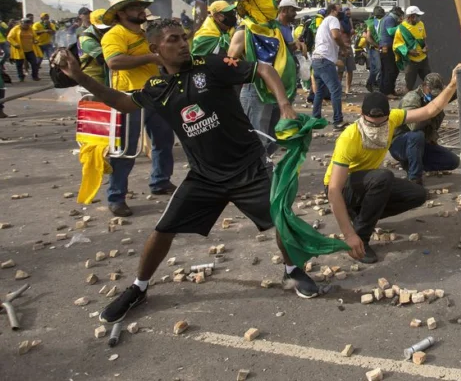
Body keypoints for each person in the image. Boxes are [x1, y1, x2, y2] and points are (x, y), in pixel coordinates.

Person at [55, 20, 332, 323]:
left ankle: (292, 271)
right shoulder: (157, 88)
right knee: (163, 230)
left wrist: (285, 105)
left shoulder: (211, 65)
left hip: (248, 168)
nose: (183, 44)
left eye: (184, 38)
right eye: (174, 40)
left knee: (281, 218)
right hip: (204, 177)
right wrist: (80, 75)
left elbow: (264, 69)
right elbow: (122, 102)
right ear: (155, 49)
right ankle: (139, 287)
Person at [325, 75, 460, 264]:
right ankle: (361, 238)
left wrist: (452, 84)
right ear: (362, 116)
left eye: (381, 122)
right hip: (343, 188)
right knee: (383, 177)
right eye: (371, 122)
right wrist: (349, 235)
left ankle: (360, 216)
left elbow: (430, 110)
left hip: (368, 182)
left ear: (388, 117)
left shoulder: (394, 119)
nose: (376, 127)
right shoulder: (349, 138)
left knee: (417, 194)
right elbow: (333, 189)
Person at [101, 0, 177, 216]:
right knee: (126, 149)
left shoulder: (143, 34)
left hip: (154, 93)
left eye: (141, 7)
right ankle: (116, 196)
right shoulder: (115, 35)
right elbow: (114, 61)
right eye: (135, 8)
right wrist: (150, 58)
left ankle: (160, 181)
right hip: (128, 96)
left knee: (164, 140)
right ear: (122, 13)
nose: (141, 11)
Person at [228, 0, 299, 164]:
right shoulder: (244, 31)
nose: (274, 0)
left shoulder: (272, 29)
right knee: (255, 136)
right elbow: (230, 63)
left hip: (275, 90)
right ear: (255, 1)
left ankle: (260, 165)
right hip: (255, 90)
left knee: (273, 136)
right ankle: (255, 174)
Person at [389, 73, 460, 185]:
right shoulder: (412, 98)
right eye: (432, 93)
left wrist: (455, 82)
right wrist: (431, 111)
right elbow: (414, 126)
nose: (434, 97)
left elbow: (452, 93)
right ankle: (414, 179)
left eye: (438, 95)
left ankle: (414, 163)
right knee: (417, 135)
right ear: (424, 86)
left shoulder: (435, 97)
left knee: (453, 162)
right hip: (401, 143)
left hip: (421, 144)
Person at [311, 2, 349, 128]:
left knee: (320, 92)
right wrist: (343, 48)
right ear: (333, 10)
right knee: (336, 89)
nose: (341, 11)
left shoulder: (323, 22)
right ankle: (338, 120)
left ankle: (315, 118)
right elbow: (335, 35)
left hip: (317, 59)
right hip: (324, 59)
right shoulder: (333, 19)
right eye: (339, 9)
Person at [394, 6, 431, 91]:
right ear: (411, 17)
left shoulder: (421, 24)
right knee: (409, 85)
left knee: (429, 81)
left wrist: (425, 46)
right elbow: (397, 46)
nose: (419, 18)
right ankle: (407, 102)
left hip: (423, 59)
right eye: (417, 16)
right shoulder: (401, 29)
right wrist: (409, 52)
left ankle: (430, 100)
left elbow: (423, 38)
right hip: (410, 61)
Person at [76, 8, 111, 85]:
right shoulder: (86, 40)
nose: (106, 30)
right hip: (93, 77)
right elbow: (107, 58)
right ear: (92, 24)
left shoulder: (99, 34)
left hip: (103, 74)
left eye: (108, 27)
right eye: (102, 28)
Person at [377, 6, 402, 97]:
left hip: (387, 47)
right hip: (387, 47)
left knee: (389, 70)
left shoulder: (388, 18)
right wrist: (401, 25)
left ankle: (387, 90)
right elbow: (390, 32)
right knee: (390, 70)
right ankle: (387, 92)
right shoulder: (390, 19)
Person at [363, 6, 384, 93]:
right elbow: (367, 37)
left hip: (377, 48)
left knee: (376, 68)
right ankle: (370, 83)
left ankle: (374, 84)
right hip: (373, 48)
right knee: (377, 68)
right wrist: (376, 45)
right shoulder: (372, 23)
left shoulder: (378, 22)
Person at [338, 7, 356, 94]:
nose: (349, 16)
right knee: (340, 70)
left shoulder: (349, 22)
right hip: (342, 47)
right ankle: (339, 88)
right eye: (347, 14)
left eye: (350, 14)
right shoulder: (339, 22)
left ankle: (348, 88)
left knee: (350, 68)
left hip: (348, 46)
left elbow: (352, 32)